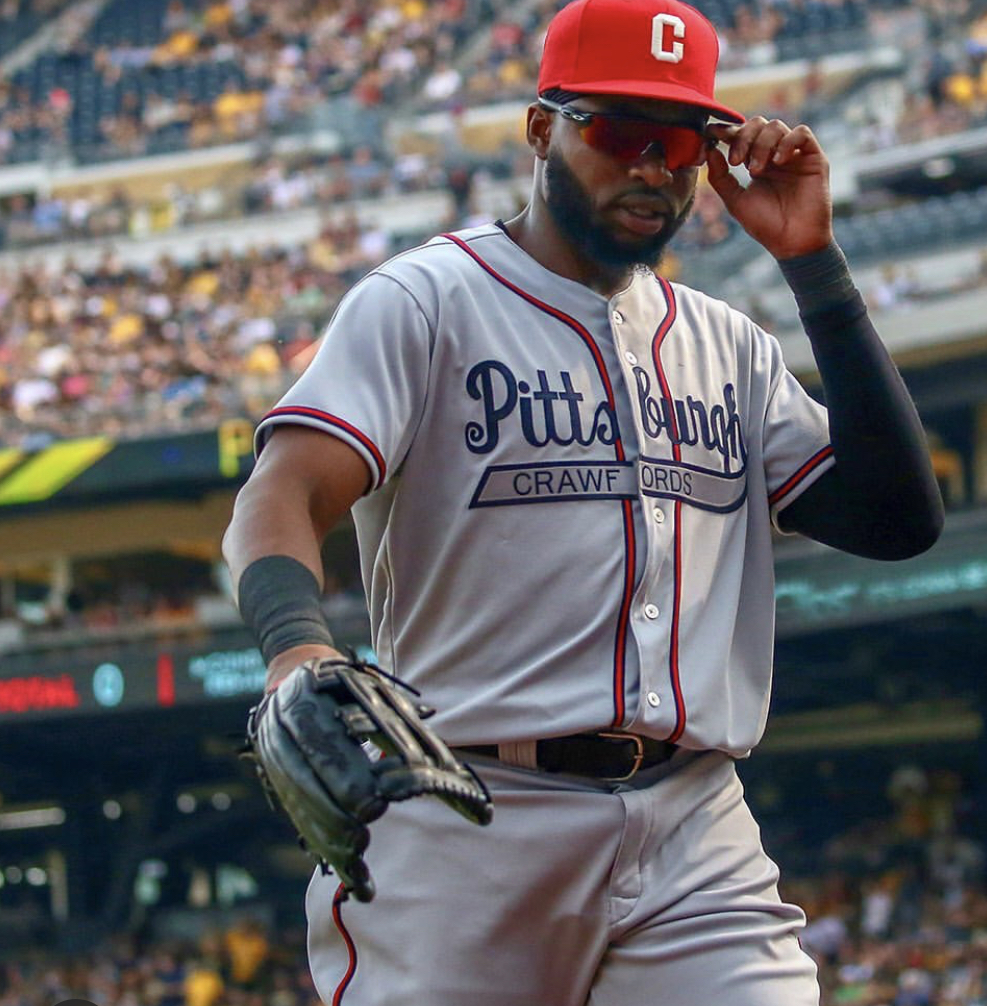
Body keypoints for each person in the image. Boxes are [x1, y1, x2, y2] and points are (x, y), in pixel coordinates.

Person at [221, 0, 943, 1003]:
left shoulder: (727, 342)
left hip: (693, 822)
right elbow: (284, 490)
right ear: (540, 129)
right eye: (619, 131)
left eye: (682, 141)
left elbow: (899, 521)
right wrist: (297, 649)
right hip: (469, 814)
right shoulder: (427, 301)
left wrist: (812, 264)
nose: (654, 166)